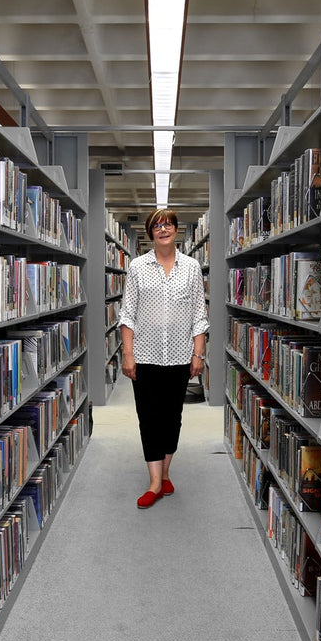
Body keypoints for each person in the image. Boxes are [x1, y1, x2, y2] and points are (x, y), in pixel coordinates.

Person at [119, 208, 209, 508]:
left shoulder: (192, 267)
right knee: (149, 418)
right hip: (145, 356)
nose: (163, 229)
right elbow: (128, 315)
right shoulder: (137, 267)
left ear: (176, 230)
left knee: (173, 418)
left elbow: (199, 314)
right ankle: (155, 482)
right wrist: (128, 355)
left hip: (181, 356)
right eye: (156, 225)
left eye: (168, 224)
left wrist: (198, 353)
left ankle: (165, 471)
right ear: (150, 233)